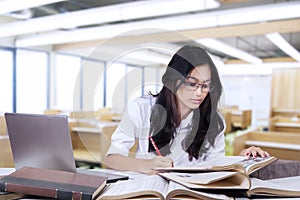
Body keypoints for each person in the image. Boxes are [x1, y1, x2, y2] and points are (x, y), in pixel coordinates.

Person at [104, 45, 269, 174]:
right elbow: (112, 160)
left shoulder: (213, 121)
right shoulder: (142, 108)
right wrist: (145, 165)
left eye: (205, 86)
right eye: (192, 83)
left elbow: (216, 165)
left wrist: (241, 160)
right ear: (174, 81)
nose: (199, 93)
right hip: (150, 190)